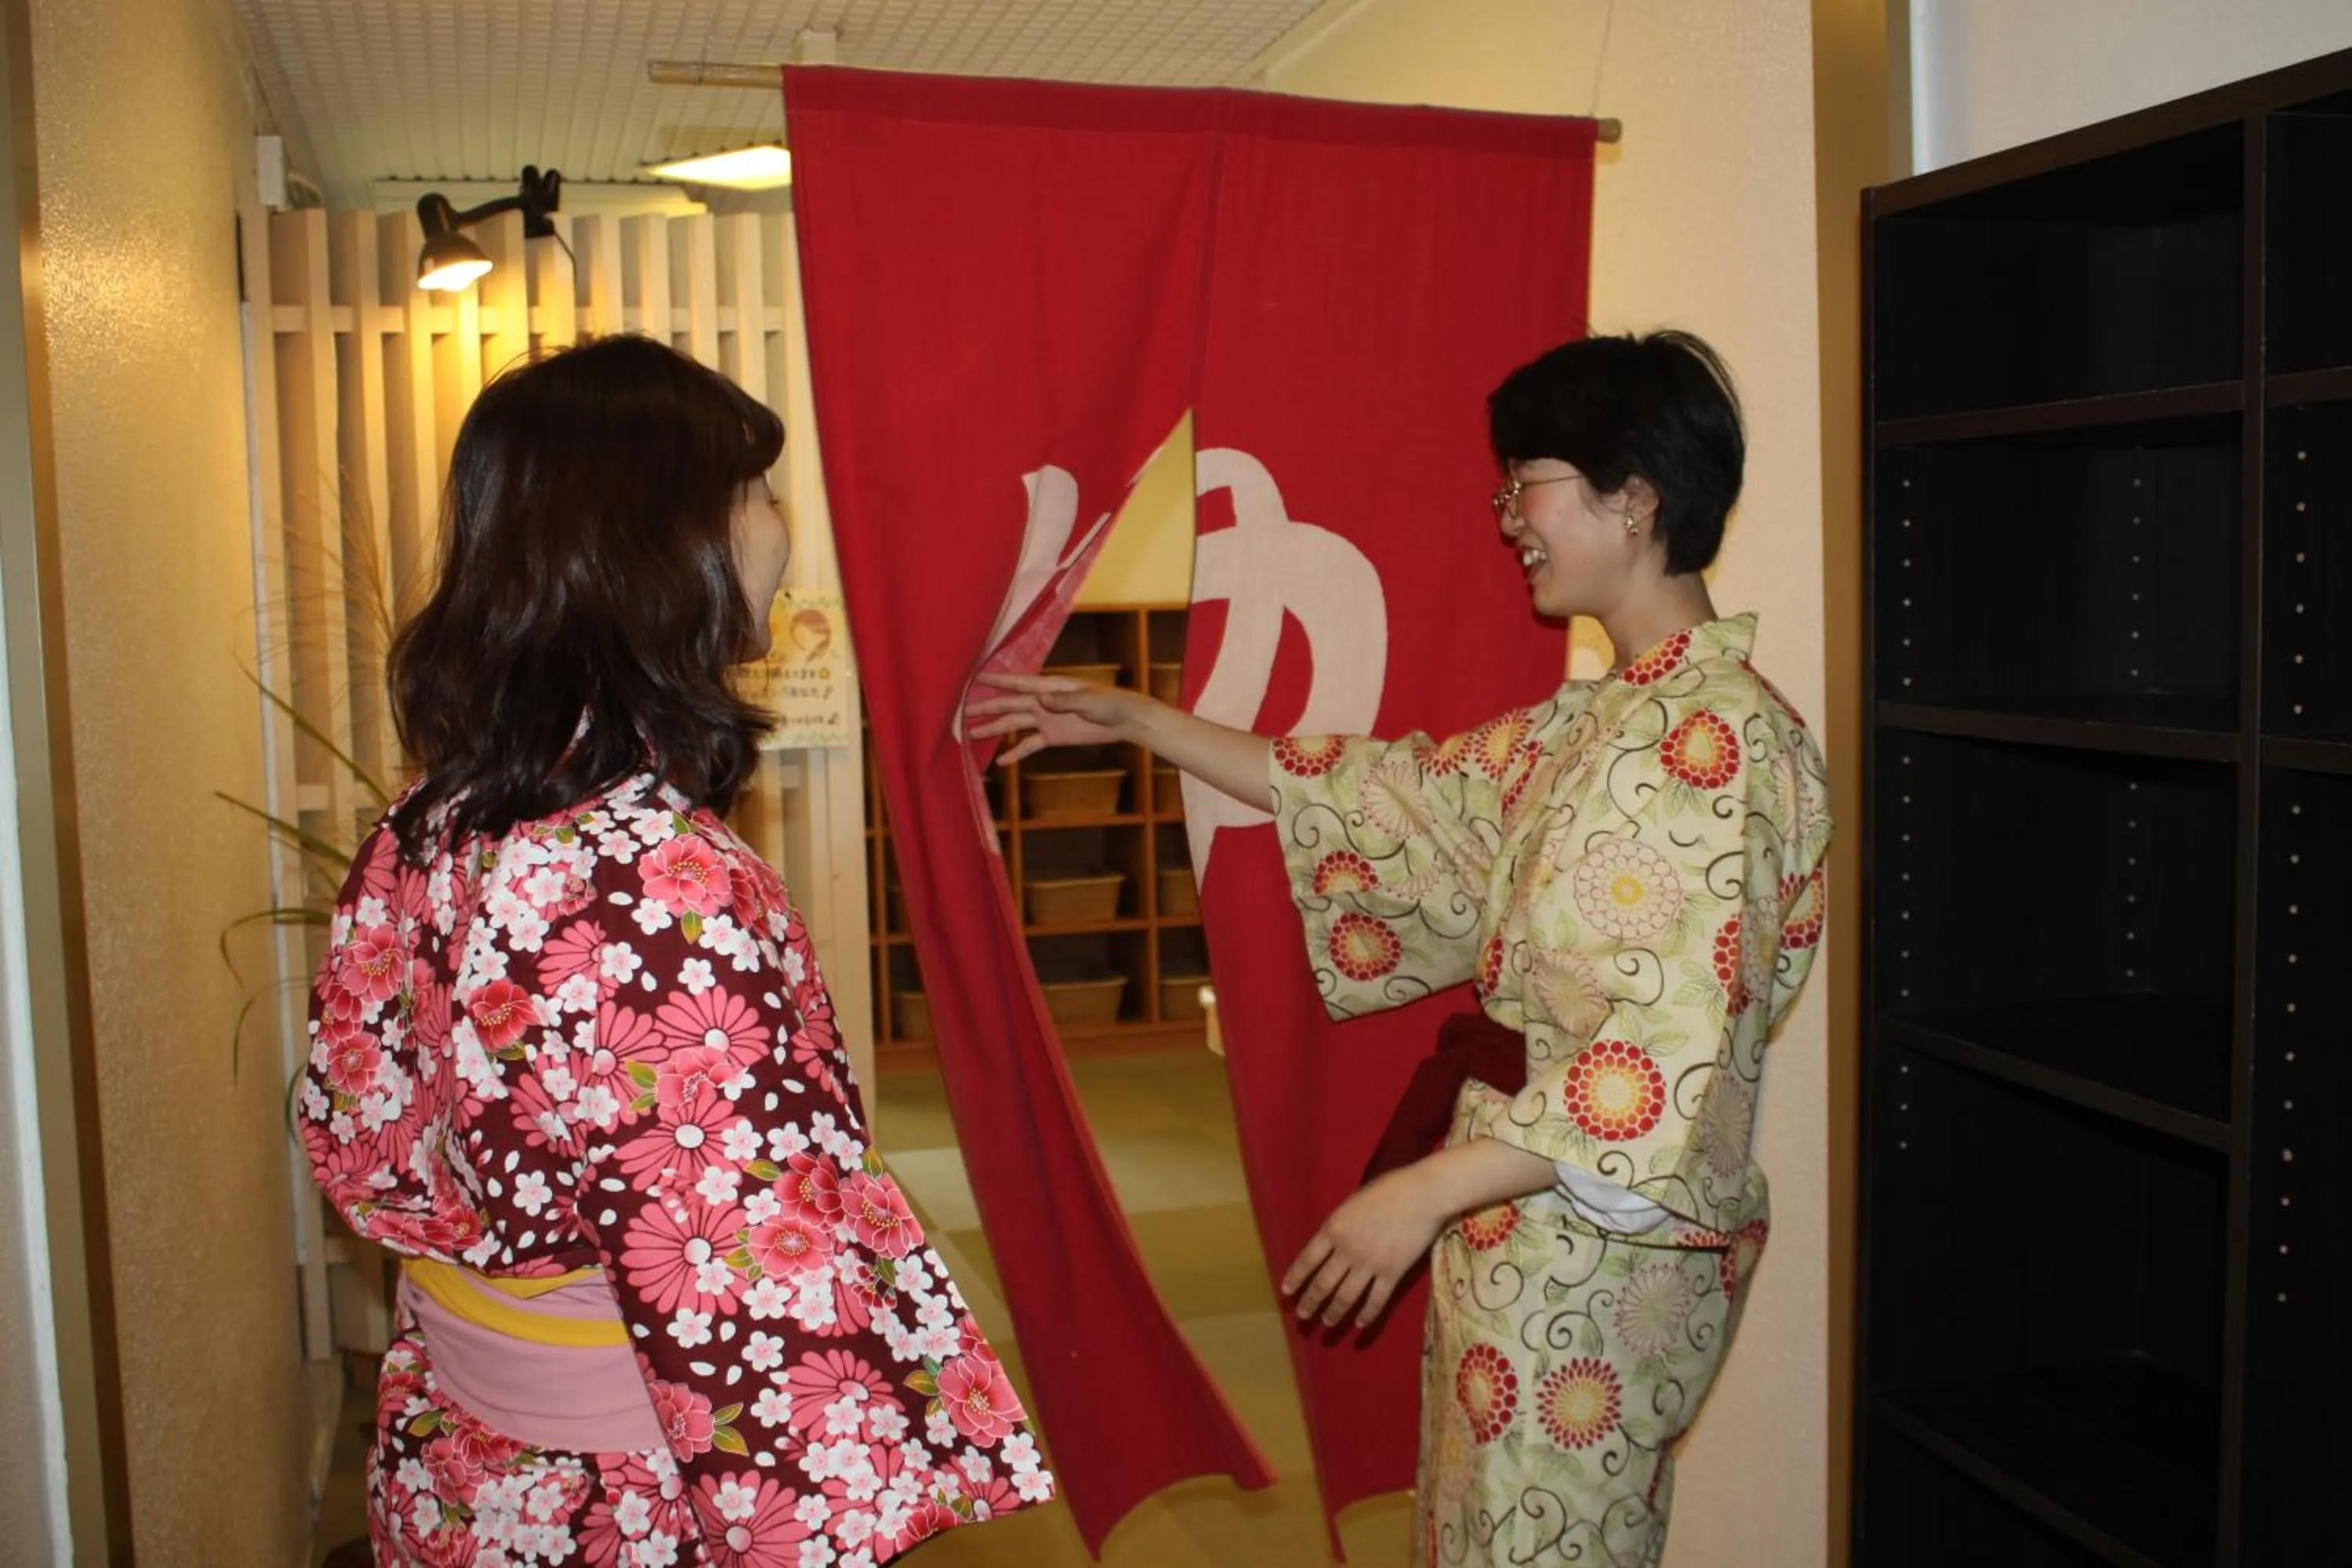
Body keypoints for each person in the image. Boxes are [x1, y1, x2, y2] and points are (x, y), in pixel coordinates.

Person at [967, 330, 1831, 1566]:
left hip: (1592, 1252)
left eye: (1527, 482)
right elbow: (1390, 794)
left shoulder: (1713, 744)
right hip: (1529, 1225)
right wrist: (1136, 718)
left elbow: (1661, 1054)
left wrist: (1422, 1191)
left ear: (1634, 497)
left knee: (1548, 1544)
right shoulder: (1609, 721)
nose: (1508, 518)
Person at [300, 334, 1051, 1566]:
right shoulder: (648, 883)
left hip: (473, 1465)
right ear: (669, 541)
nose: (782, 531)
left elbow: (363, 1124)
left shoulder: (440, 813)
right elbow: (750, 1284)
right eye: (760, 493)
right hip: (633, 1495)